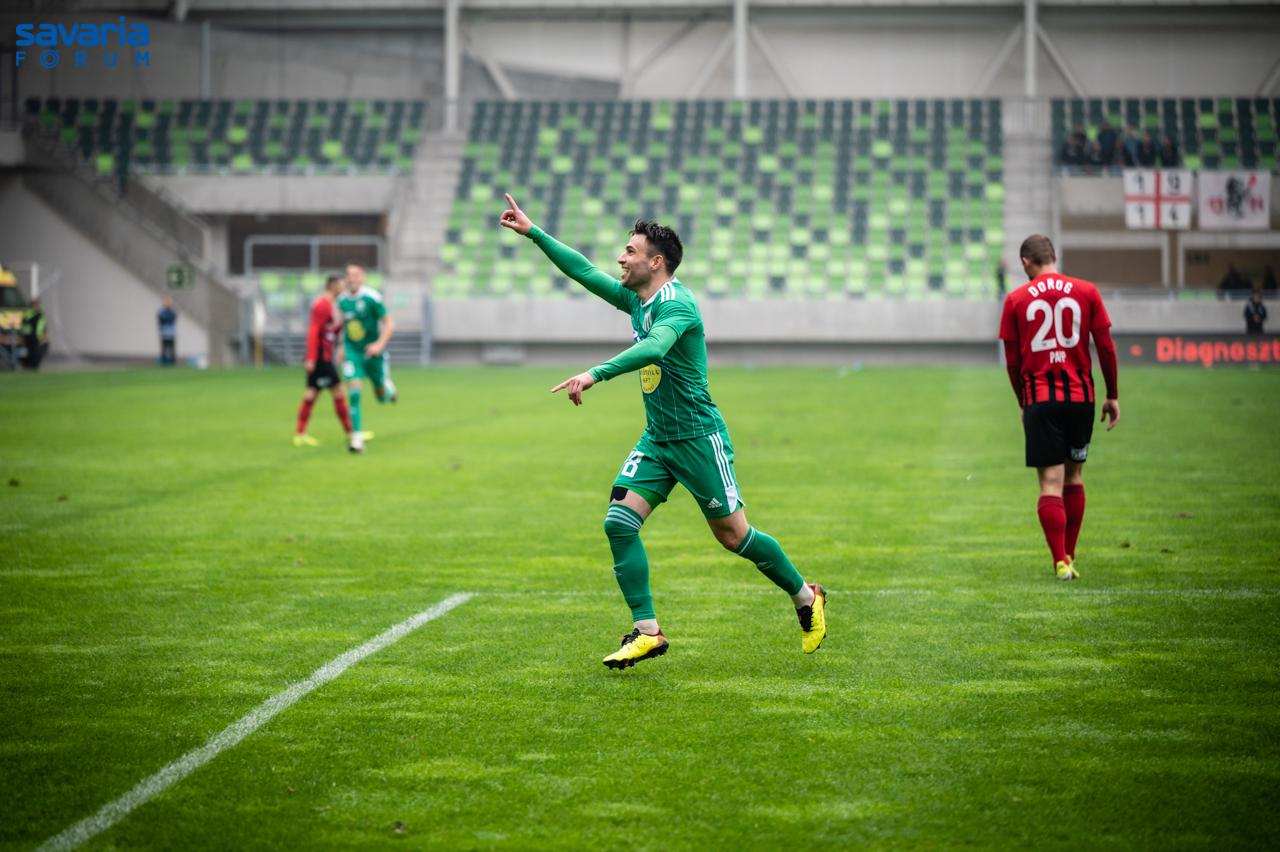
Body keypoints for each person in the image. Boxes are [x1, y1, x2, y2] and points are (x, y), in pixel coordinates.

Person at [499, 193, 827, 669]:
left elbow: (655, 349)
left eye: (629, 251)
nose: (620, 258)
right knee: (619, 522)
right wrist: (534, 233)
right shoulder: (637, 299)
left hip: (697, 437)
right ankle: (648, 632)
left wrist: (594, 373)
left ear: (655, 262)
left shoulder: (678, 305)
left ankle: (806, 597)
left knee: (734, 536)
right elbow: (584, 272)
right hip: (657, 438)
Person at [999, 235, 1119, 581]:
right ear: (1053, 256)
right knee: (1075, 476)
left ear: (1026, 262)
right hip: (1081, 398)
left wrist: (1023, 402)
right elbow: (1106, 347)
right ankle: (1070, 554)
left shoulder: (1016, 299)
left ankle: (1060, 561)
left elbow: (1012, 361)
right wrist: (1112, 394)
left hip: (1040, 399)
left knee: (1051, 482)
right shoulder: (1087, 291)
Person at [294, 274, 359, 452]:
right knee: (337, 391)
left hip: (325, 356)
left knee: (312, 393)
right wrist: (311, 358)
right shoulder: (321, 304)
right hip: (321, 357)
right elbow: (314, 331)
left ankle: (300, 433)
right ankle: (351, 432)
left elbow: (330, 331)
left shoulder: (332, 305)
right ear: (333, 286)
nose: (343, 288)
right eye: (341, 285)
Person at [338, 262, 396, 444]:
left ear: (362, 277)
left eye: (356, 275)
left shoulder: (372, 297)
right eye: (349, 275)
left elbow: (389, 323)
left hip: (373, 353)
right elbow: (344, 325)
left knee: (380, 397)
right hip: (353, 353)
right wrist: (341, 347)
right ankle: (356, 438)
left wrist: (379, 344)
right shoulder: (342, 300)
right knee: (354, 393)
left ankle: (386, 387)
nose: (352, 279)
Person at [20, 298, 48, 370]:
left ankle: (34, 366)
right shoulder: (29, 314)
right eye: (36, 304)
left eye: (38, 304)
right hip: (30, 337)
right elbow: (25, 326)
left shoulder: (40, 314)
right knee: (31, 352)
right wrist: (25, 336)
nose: (37, 306)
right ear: (32, 305)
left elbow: (43, 326)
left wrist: (44, 336)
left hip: (38, 337)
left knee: (38, 352)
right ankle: (29, 366)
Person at [157, 297, 177, 366]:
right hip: (164, 332)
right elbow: (161, 320)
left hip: (171, 332)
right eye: (166, 302)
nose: (168, 304)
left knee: (171, 348)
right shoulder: (161, 311)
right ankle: (164, 361)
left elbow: (173, 319)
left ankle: (172, 362)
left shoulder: (173, 311)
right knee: (164, 347)